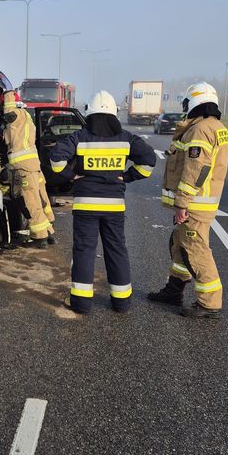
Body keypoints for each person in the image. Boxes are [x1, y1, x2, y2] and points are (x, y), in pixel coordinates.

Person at [49, 90, 156, 313]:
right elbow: (148, 162)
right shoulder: (126, 138)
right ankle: (121, 302)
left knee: (85, 251)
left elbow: (56, 160)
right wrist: (127, 176)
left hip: (85, 205)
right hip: (113, 207)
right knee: (116, 250)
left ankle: (81, 303)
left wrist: (72, 175)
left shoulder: (79, 137)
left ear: (89, 113)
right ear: (115, 113)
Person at [148, 82, 228, 320]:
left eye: (186, 103)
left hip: (194, 203)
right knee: (179, 244)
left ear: (195, 102)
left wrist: (182, 202)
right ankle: (174, 290)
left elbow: (196, 169)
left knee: (195, 250)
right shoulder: (215, 126)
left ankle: (209, 303)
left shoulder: (200, 129)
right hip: (201, 202)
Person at [0, 90, 56, 247]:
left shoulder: (17, 116)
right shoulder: (26, 118)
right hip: (33, 166)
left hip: (24, 167)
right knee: (40, 199)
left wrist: (8, 94)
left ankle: (39, 237)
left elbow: (9, 112)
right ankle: (48, 231)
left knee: (31, 202)